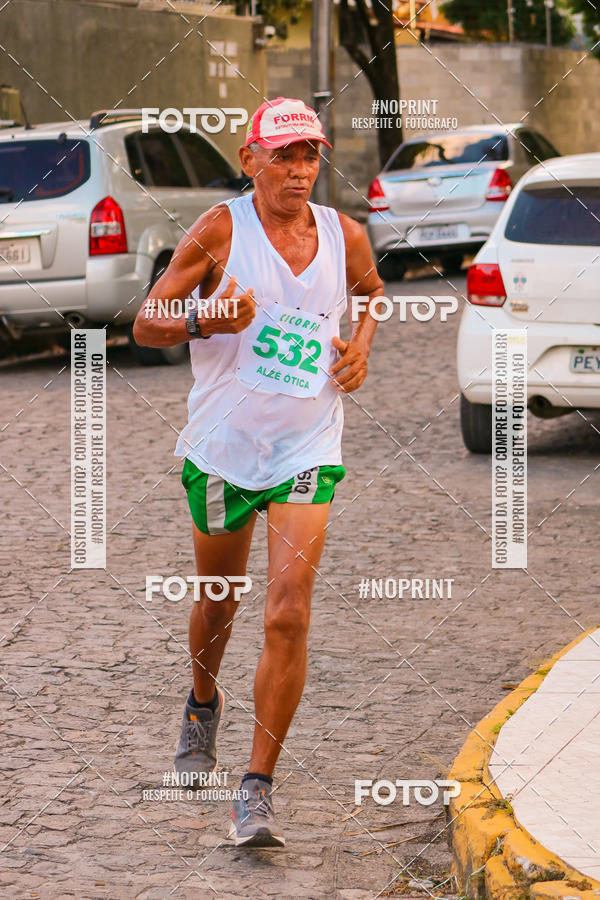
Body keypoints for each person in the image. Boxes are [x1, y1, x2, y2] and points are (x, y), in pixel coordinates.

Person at [133, 96, 384, 847]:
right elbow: (146, 322)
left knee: (288, 609)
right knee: (219, 604)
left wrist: (363, 343)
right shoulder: (221, 229)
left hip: (308, 449)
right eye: (284, 155)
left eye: (310, 155)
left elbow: (372, 296)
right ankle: (202, 699)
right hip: (223, 451)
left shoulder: (346, 235)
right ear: (251, 161)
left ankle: (257, 788)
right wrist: (210, 320)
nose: (300, 169)